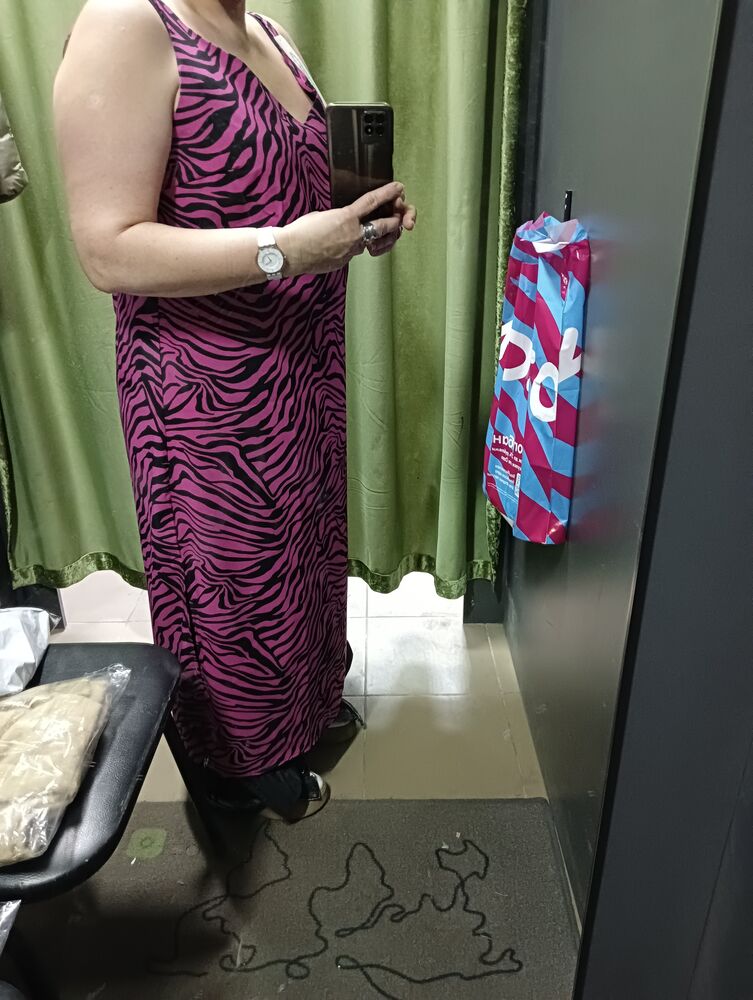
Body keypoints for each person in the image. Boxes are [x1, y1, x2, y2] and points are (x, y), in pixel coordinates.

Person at [53, 0, 416, 820]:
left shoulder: (268, 32)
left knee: (302, 550)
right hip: (206, 390)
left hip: (302, 365)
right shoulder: (127, 24)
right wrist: (290, 248)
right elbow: (108, 249)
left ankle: (301, 705)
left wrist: (354, 226)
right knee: (231, 573)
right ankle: (236, 761)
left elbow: (286, 198)